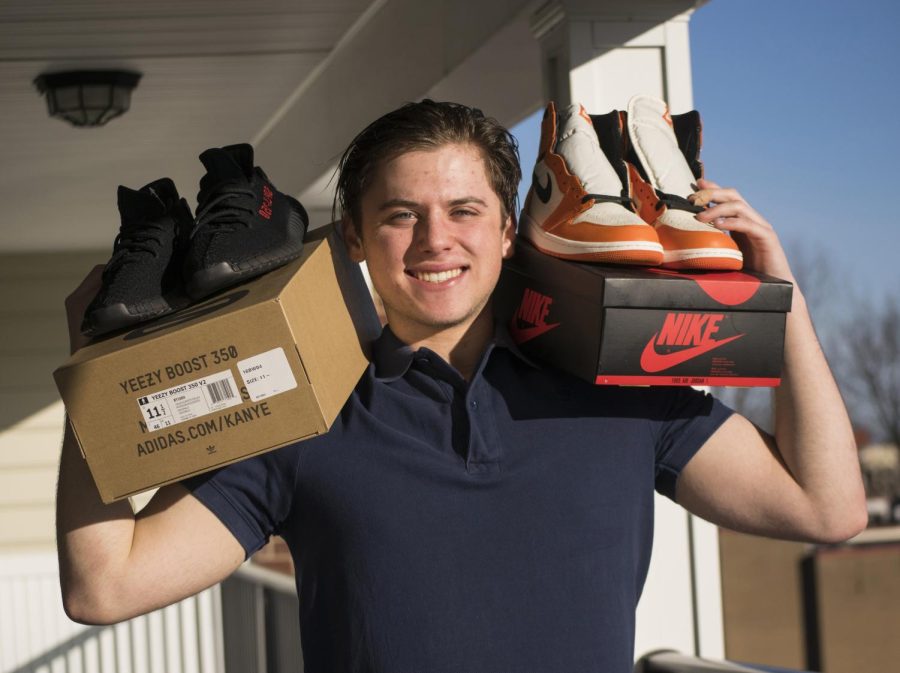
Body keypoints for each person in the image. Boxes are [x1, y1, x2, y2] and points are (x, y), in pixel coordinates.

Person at [56, 100, 867, 672]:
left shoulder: (616, 385)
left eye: (465, 209)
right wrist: (97, 373)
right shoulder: (304, 406)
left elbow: (825, 506)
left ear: (509, 231)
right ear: (357, 238)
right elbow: (105, 583)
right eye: (402, 214)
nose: (436, 238)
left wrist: (778, 297)